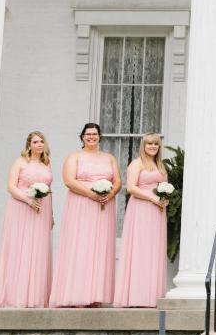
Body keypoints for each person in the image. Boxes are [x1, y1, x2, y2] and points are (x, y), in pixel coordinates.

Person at [49, 122, 121, 307]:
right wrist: (92, 195)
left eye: (94, 134)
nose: (91, 137)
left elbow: (118, 182)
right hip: (81, 206)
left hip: (104, 208)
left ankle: (95, 296)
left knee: (99, 248)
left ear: (99, 136)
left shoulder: (109, 158)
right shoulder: (75, 157)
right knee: (80, 246)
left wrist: (109, 194)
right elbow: (69, 181)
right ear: (82, 137)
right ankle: (75, 295)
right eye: (88, 134)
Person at [0, 131, 55, 307]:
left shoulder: (46, 163)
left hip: (42, 211)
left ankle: (35, 296)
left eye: (42, 141)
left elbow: (50, 190)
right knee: (21, 248)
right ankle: (16, 295)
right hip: (21, 208)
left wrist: (51, 214)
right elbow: (11, 187)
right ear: (29, 145)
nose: (39, 144)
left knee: (38, 249)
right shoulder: (20, 162)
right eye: (35, 142)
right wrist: (28, 200)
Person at [115, 133, 170, 308]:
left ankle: (152, 295)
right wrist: (153, 198)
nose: (153, 147)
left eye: (156, 144)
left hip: (157, 211)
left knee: (154, 249)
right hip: (140, 209)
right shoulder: (136, 164)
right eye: (149, 144)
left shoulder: (160, 166)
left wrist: (164, 199)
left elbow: (163, 188)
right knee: (140, 248)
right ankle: (136, 296)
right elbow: (131, 188)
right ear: (143, 146)